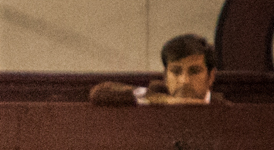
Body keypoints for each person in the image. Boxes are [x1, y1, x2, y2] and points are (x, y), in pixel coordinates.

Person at [90, 33, 228, 105]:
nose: (184, 80)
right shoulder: (156, 96)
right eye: (176, 71)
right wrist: (166, 100)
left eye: (194, 71)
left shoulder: (226, 109)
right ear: (166, 77)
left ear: (211, 77)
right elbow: (100, 92)